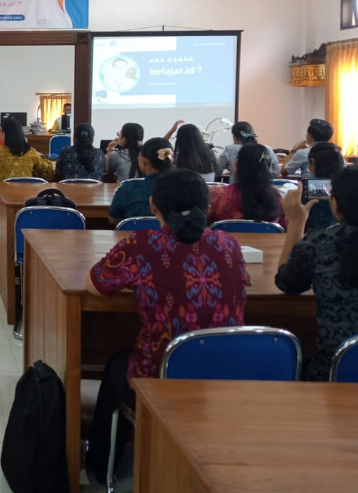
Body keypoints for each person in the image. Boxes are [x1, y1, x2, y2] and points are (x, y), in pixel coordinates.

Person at [85, 168, 249, 482]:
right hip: (228, 375)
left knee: (116, 366)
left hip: (161, 378)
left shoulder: (143, 244)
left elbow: (96, 283)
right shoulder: (229, 245)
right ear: (207, 206)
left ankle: (100, 466)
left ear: (152, 205)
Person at [276, 165, 358, 381]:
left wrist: (295, 222)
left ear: (335, 204)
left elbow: (287, 282)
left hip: (333, 375)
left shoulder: (320, 244)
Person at [207, 143, 288, 229]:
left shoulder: (218, 195)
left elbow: (205, 227)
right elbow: (284, 229)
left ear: (237, 164)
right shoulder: (276, 198)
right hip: (264, 242)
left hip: (228, 241)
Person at [107, 137, 174, 223]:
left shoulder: (127, 189)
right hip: (171, 236)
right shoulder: (184, 188)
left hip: (135, 235)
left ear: (143, 161)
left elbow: (113, 220)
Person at [0, 118, 54, 187]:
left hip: (3, 196)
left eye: (1, 132)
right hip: (27, 195)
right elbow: (48, 174)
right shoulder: (30, 151)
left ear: (6, 134)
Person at [304, 141, 344, 232]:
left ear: (312, 162)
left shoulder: (306, 187)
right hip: (343, 237)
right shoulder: (348, 184)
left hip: (312, 237)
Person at [215, 121, 281, 177]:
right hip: (264, 189)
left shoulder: (230, 149)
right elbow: (275, 172)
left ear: (235, 137)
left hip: (237, 190)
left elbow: (216, 169)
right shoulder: (267, 149)